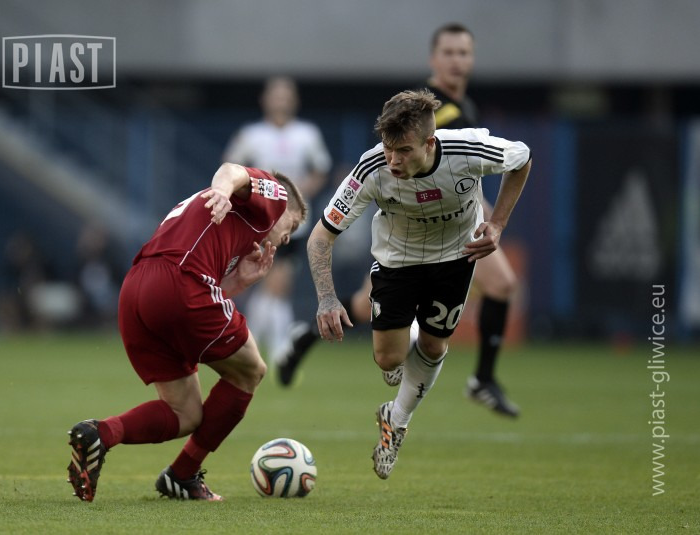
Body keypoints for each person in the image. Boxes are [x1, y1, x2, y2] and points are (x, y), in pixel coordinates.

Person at [283, 23, 521, 419]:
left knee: (498, 285)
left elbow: (464, 174)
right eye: (449, 52)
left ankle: (480, 378)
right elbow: (417, 169)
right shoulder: (434, 113)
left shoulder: (465, 107)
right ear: (433, 59)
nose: (457, 61)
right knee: (378, 309)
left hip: (450, 224)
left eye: (464, 53)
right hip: (409, 224)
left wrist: (488, 216)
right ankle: (479, 378)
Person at [307, 89, 531, 479]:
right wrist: (326, 298)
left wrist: (497, 224)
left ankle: (396, 421)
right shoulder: (371, 167)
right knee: (388, 359)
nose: (393, 159)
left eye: (404, 150)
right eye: (388, 148)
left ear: (430, 143)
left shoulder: (467, 150)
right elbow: (321, 236)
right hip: (397, 261)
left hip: (455, 259)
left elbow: (523, 158)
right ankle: (404, 346)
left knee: (433, 345)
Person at [66, 163, 306, 502]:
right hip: (179, 281)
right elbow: (232, 170)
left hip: (137, 290)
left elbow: (192, 293)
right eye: (292, 226)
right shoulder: (275, 196)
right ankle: (183, 474)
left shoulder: (233, 224)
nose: (287, 237)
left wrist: (238, 282)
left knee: (186, 413)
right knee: (251, 370)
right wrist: (222, 191)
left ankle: (100, 434)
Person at [223, 76, 331, 375]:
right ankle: (271, 344)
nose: (280, 100)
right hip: (258, 219)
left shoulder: (307, 133)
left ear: (294, 100)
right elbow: (231, 165)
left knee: (278, 284)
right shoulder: (251, 134)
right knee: (268, 282)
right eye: (275, 95)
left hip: (294, 223)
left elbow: (320, 169)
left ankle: (253, 341)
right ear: (265, 99)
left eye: (286, 95)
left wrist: (298, 194)